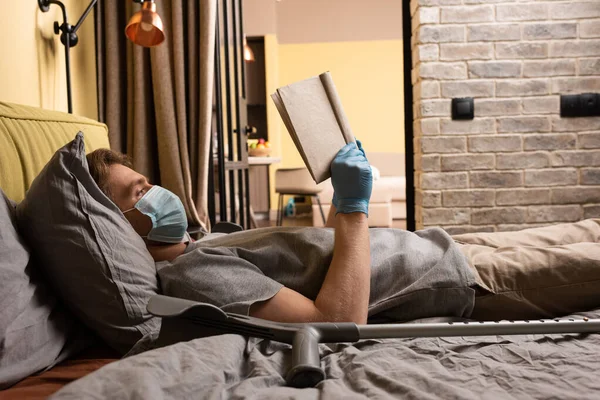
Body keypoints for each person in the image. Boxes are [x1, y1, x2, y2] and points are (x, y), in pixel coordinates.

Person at [86, 143, 600, 326]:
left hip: (446, 244)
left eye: (146, 181)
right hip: (466, 278)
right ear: (115, 226)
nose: (155, 190)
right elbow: (333, 321)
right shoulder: (191, 275)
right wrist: (350, 209)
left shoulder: (204, 242)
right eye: (137, 194)